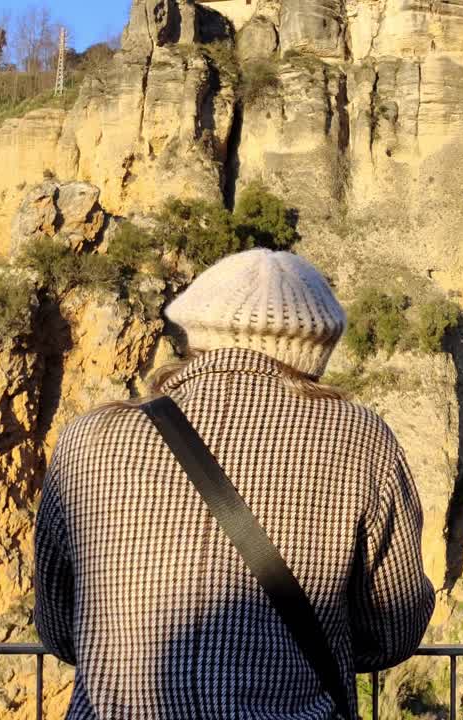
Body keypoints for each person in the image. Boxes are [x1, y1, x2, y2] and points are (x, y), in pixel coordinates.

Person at [34, 249, 435, 719]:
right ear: (317, 348)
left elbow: (60, 623)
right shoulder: (359, 438)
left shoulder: (90, 436)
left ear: (196, 332)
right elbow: (392, 629)